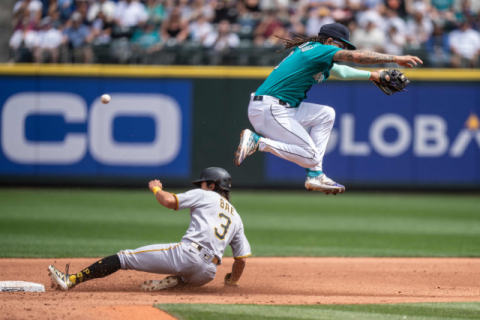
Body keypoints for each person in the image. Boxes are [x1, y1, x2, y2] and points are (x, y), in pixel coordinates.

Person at [233, 23, 422, 194]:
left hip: (278, 107)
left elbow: (341, 71)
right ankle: (258, 142)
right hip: (271, 108)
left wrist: (373, 76)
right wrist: (396, 58)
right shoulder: (319, 49)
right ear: (330, 41)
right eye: (342, 46)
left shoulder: (316, 54)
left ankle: (315, 175)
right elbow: (357, 57)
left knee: (326, 114)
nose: (344, 51)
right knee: (310, 155)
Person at [48, 167, 251, 291]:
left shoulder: (206, 195)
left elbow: (169, 201)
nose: (200, 186)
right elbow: (241, 259)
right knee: (186, 280)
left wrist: (156, 188)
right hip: (207, 273)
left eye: (203, 183)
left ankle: (71, 279)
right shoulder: (237, 217)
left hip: (188, 255)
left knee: (124, 258)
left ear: (212, 185)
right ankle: (177, 282)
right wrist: (232, 281)